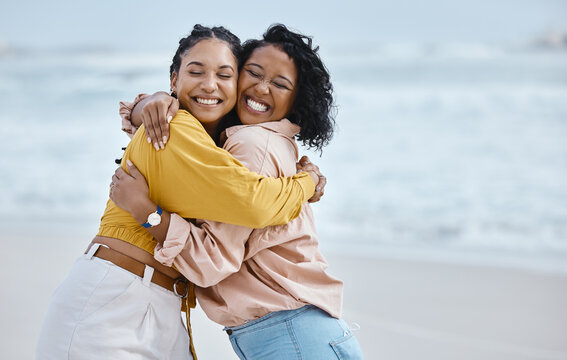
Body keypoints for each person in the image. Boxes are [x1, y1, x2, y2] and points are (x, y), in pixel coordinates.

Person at [36, 25, 325, 360]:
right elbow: (254, 203)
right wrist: (307, 184)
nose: (209, 84)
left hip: (162, 304)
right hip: (112, 300)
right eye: (195, 71)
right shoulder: (174, 128)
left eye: (224, 74)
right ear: (174, 81)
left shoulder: (213, 144)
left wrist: (143, 105)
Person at [112, 24, 364, 359]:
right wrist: (150, 104)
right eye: (253, 73)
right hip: (300, 331)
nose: (261, 89)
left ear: (296, 99)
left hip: (290, 333)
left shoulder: (251, 144)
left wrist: (147, 213)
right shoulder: (264, 140)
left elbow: (211, 261)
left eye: (280, 84)